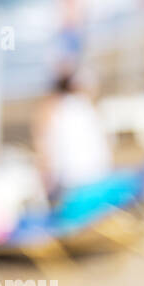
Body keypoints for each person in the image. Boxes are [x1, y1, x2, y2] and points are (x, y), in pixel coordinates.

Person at [33, 70, 112, 205]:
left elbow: (43, 148)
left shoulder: (52, 108)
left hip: (70, 182)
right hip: (99, 176)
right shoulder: (88, 107)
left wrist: (45, 180)